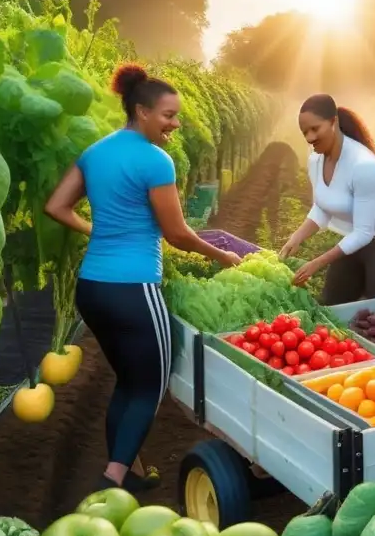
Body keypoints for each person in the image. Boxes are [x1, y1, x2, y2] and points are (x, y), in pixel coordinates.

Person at [44, 64, 242, 493]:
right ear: (142, 111)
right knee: (152, 384)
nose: (176, 124)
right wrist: (221, 254)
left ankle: (129, 470)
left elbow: (56, 207)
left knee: (129, 381)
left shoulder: (95, 152)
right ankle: (112, 480)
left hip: (92, 288)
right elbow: (176, 234)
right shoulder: (156, 160)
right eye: (169, 115)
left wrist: (95, 230)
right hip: (134, 288)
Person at [279, 94, 375, 305]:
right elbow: (322, 208)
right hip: (353, 240)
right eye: (304, 132)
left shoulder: (363, 165)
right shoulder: (315, 159)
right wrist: (296, 237)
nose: (309, 138)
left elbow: (364, 232)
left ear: (334, 122)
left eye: (315, 129)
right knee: (332, 305)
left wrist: (317, 263)